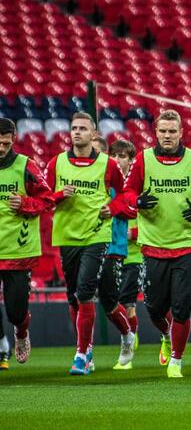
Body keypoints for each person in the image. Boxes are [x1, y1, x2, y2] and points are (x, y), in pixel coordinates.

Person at [114, 109, 191, 378]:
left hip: (186, 244)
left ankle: (176, 360)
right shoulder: (143, 160)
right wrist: (136, 202)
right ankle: (165, 334)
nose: (168, 135)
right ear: (156, 133)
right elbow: (128, 191)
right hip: (152, 245)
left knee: (182, 306)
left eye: (172, 131)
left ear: (181, 132)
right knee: (154, 307)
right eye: (163, 131)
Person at [46, 112, 124, 375]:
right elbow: (43, 198)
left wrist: (111, 208)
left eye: (82, 128)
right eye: (73, 128)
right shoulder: (56, 163)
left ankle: (80, 355)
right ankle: (87, 348)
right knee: (73, 296)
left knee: (85, 292)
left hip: (97, 235)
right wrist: (59, 195)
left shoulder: (108, 164)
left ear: (93, 134)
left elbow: (125, 195)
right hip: (67, 236)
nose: (77, 132)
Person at [0, 118, 53, 368]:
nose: (1, 147)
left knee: (15, 311)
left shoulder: (25, 166)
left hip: (18, 252)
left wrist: (24, 203)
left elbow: (47, 200)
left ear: (14, 139)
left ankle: (21, 332)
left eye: (5, 143)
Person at [110, 139, 142, 366]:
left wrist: (135, 233)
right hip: (113, 251)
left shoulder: (139, 185)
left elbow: (156, 219)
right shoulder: (107, 184)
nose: (117, 160)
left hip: (136, 254)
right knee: (115, 301)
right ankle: (129, 336)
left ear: (131, 161)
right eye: (115, 155)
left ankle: (128, 345)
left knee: (128, 302)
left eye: (123, 156)